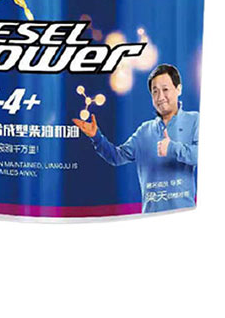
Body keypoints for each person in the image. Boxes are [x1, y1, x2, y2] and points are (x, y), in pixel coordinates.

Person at [73, 64, 199, 213]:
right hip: (150, 217)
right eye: (155, 91)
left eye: (165, 89)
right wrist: (96, 136)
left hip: (184, 215)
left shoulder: (194, 120)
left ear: (178, 89)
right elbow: (117, 157)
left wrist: (172, 148)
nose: (160, 97)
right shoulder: (144, 131)